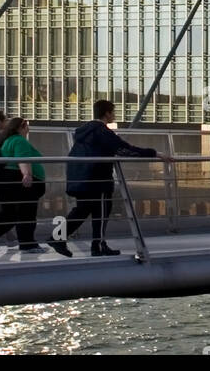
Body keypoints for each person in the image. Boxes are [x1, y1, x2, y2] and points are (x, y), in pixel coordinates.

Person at [62, 100, 170, 256]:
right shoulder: (101, 131)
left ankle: (79, 242)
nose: (115, 115)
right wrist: (155, 153)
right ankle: (94, 245)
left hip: (81, 177)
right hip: (97, 179)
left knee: (83, 209)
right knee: (101, 211)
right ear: (107, 113)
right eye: (113, 112)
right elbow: (124, 149)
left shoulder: (84, 132)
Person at [0, 118, 71, 256]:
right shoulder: (19, 140)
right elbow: (23, 158)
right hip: (20, 182)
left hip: (9, 181)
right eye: (27, 126)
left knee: (11, 213)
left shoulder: (8, 140)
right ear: (21, 127)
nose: (28, 129)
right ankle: (26, 244)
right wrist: (27, 175)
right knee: (25, 213)